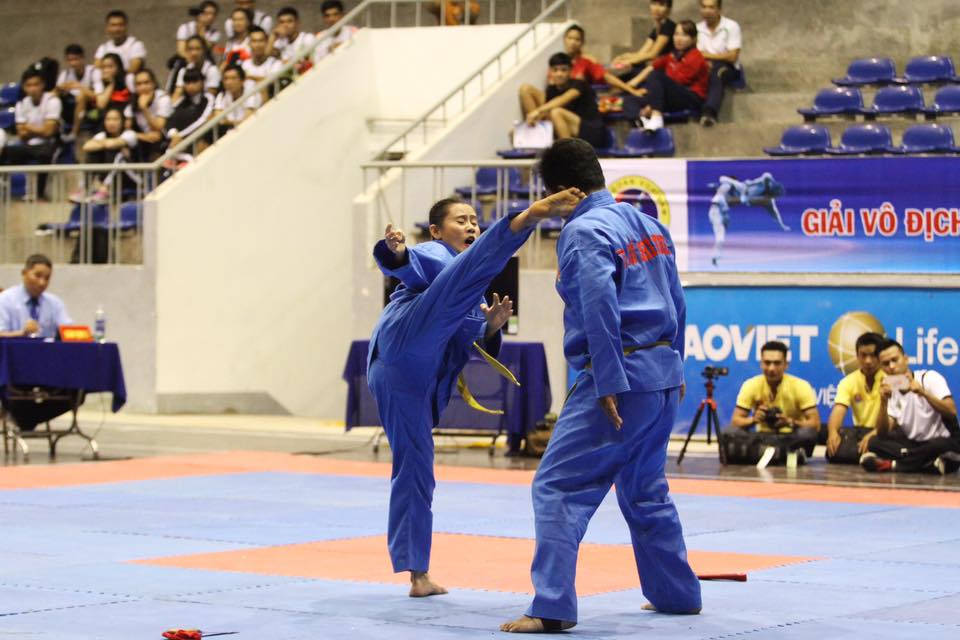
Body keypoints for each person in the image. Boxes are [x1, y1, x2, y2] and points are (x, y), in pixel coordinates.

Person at [500, 138, 700, 633]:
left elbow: (599, 304)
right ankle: (676, 595)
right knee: (645, 489)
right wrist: (676, 364)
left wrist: (608, 379)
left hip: (619, 376)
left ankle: (551, 607)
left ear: (562, 190)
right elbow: (677, 300)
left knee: (557, 486)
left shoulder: (584, 230)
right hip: (660, 374)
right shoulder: (649, 224)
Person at [369, 190, 584, 598]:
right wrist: (395, 253)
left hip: (416, 374)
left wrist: (491, 327)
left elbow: (467, 342)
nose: (470, 225)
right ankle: (526, 218)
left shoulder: (471, 290)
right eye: (461, 220)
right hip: (403, 344)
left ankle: (418, 573)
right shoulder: (434, 253)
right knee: (463, 271)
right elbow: (407, 264)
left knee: (416, 467)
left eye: (474, 220)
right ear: (436, 231)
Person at [860, 339, 960, 474]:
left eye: (895, 360)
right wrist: (883, 402)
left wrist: (923, 393)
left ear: (906, 359)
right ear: (881, 368)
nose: (891, 366)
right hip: (916, 444)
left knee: (937, 445)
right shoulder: (891, 390)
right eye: (886, 363)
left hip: (945, 443)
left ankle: (892, 465)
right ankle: (925, 464)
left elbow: (951, 411)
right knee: (874, 442)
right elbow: (883, 432)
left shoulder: (929, 378)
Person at [722, 341, 821, 465]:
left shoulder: (801, 386)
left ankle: (763, 453)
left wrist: (790, 422)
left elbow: (815, 424)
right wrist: (753, 420)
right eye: (767, 363)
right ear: (761, 364)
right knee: (729, 432)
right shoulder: (750, 385)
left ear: (786, 365)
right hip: (761, 437)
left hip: (789, 437)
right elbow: (736, 421)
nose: (771, 368)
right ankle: (783, 455)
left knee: (808, 434)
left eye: (777, 363)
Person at [519, 26, 644, 115]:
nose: (573, 42)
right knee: (525, 89)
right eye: (570, 38)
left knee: (554, 111)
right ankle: (536, 128)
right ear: (564, 39)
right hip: (554, 101)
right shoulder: (558, 61)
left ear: (582, 43)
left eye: (577, 39)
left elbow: (607, 77)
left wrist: (631, 90)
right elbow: (551, 87)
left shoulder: (586, 61)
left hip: (575, 105)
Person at [627, 20, 709, 131]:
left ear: (693, 39)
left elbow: (679, 81)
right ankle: (640, 123)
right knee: (630, 100)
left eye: (684, 35)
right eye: (676, 34)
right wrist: (633, 83)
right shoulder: (673, 54)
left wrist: (651, 104)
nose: (678, 39)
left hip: (690, 97)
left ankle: (656, 117)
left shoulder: (696, 57)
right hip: (669, 94)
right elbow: (653, 66)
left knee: (656, 76)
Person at [0, 68, 62, 201]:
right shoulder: (21, 104)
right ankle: (4, 191)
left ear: (43, 85)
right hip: (27, 145)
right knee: (4, 152)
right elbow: (21, 134)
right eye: (29, 85)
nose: (33, 88)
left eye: (36, 84)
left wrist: (27, 126)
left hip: (48, 145)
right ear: (24, 87)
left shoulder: (53, 101)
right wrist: (40, 129)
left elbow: (49, 132)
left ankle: (39, 195)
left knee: (45, 153)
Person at [522, 53, 607, 149]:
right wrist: (531, 121)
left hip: (592, 131)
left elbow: (564, 99)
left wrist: (537, 111)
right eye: (555, 70)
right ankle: (536, 136)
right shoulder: (551, 89)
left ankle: (568, 153)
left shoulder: (579, 84)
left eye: (563, 70)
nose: (559, 74)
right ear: (550, 72)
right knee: (525, 89)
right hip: (570, 131)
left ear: (570, 71)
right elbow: (546, 114)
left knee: (556, 112)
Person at [825, 332, 886, 464]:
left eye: (873, 355)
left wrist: (875, 433)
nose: (868, 361)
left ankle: (872, 455)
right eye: (863, 355)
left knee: (882, 443)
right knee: (833, 452)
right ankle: (870, 457)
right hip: (861, 432)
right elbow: (838, 410)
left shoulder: (890, 379)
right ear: (857, 356)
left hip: (883, 432)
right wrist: (832, 433)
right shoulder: (848, 381)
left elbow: (896, 419)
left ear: (881, 355)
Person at [707, 172, 787, 267]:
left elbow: (774, 212)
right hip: (721, 207)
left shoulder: (767, 200)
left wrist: (782, 224)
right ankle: (716, 254)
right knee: (720, 237)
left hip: (726, 208)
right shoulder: (744, 186)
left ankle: (716, 254)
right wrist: (746, 190)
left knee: (722, 232)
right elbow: (767, 175)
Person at [76, 107, 139, 204]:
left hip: (130, 177)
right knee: (92, 154)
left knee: (119, 154)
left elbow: (111, 145)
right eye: (108, 119)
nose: (111, 123)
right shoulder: (102, 135)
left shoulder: (130, 134)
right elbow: (86, 146)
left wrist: (101, 144)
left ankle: (104, 189)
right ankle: (84, 188)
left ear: (122, 121)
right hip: (112, 177)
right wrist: (107, 143)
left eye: (115, 119)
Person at [0, 254, 72, 339]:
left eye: (47, 278)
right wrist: (22, 334)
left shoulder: (55, 303)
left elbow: (68, 330)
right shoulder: (5, 299)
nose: (42, 283)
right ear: (24, 273)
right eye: (37, 276)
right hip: (12, 347)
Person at [696, 0, 742, 126]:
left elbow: (732, 57)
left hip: (728, 67)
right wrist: (705, 60)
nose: (707, 11)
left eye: (711, 7)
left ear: (719, 9)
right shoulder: (697, 29)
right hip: (704, 65)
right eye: (704, 7)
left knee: (717, 73)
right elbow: (694, 55)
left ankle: (709, 113)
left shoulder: (731, 26)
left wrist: (707, 56)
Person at [611, 1, 676, 77]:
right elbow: (641, 53)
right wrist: (623, 57)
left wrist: (628, 61)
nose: (656, 9)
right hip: (657, 68)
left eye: (661, 5)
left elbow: (653, 54)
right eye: (654, 4)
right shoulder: (656, 29)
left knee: (628, 73)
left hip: (668, 71)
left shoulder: (668, 26)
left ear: (668, 9)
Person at [56, 44, 103, 142]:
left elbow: (98, 96)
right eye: (70, 60)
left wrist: (79, 86)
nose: (73, 63)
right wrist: (61, 89)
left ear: (82, 58)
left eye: (75, 59)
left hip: (91, 107)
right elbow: (56, 91)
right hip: (70, 106)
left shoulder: (94, 72)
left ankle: (74, 132)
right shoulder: (65, 74)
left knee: (82, 96)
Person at [125, 69, 172, 162]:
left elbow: (159, 128)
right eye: (139, 84)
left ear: (153, 83)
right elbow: (126, 129)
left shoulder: (163, 99)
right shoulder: (133, 102)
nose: (143, 87)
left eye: (146, 83)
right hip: (144, 140)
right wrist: (142, 136)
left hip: (164, 138)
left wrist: (144, 108)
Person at [166, 69, 214, 151]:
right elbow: (170, 122)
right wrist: (173, 134)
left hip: (199, 138)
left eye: (194, 82)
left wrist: (181, 136)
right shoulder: (181, 102)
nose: (191, 86)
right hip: (179, 142)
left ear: (202, 82)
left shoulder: (208, 98)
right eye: (187, 83)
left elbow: (203, 120)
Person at [94, 10, 147, 78]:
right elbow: (97, 70)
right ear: (107, 28)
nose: (117, 29)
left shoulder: (136, 45)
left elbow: (133, 70)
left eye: (120, 25)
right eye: (113, 25)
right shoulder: (103, 48)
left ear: (126, 26)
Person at [172, 36, 222, 103]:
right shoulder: (183, 71)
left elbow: (211, 96)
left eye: (197, 49)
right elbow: (177, 93)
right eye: (190, 49)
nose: (194, 53)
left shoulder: (212, 70)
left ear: (204, 50)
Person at [212, 65, 260, 132]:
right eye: (226, 78)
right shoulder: (221, 95)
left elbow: (248, 121)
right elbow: (220, 120)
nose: (228, 82)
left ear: (242, 81)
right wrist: (233, 123)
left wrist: (228, 122)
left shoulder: (251, 93)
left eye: (233, 78)